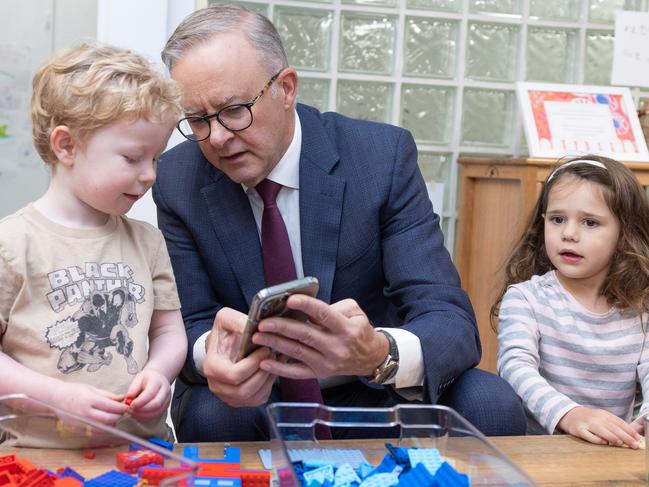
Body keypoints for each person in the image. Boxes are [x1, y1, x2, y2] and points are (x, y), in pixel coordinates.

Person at [154, 4, 525, 442]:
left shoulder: (380, 158)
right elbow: (193, 320)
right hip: (257, 395)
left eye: (234, 110)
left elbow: (446, 316)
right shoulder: (178, 178)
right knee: (212, 413)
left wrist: (377, 354)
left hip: (371, 385)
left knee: (491, 402)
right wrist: (213, 358)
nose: (216, 138)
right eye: (198, 120)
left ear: (286, 88)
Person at [0, 43, 187, 447]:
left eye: (156, 158)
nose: (151, 174)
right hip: (37, 457)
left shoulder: (147, 241)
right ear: (66, 146)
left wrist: (159, 373)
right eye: (133, 157)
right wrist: (56, 398)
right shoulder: (11, 244)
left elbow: (170, 330)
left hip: (142, 450)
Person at [494, 155, 649, 449]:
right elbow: (515, 367)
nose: (568, 234)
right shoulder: (527, 298)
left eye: (590, 222)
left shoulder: (641, 308)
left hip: (612, 454)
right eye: (557, 219)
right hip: (538, 451)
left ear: (624, 232)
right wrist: (570, 414)